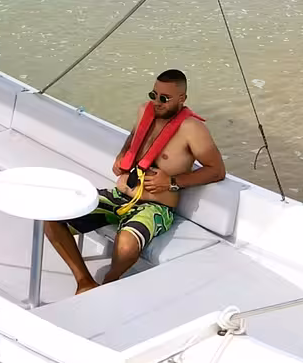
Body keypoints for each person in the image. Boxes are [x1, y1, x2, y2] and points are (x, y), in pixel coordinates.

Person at [43, 69, 225, 291]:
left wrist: (171, 182)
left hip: (155, 206)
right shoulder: (144, 112)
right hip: (120, 195)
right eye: (154, 95)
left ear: (182, 99)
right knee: (53, 218)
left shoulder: (193, 129)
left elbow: (216, 171)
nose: (157, 102)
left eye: (164, 99)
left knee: (127, 243)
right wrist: (122, 156)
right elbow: (132, 139)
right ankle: (84, 281)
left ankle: (110, 281)